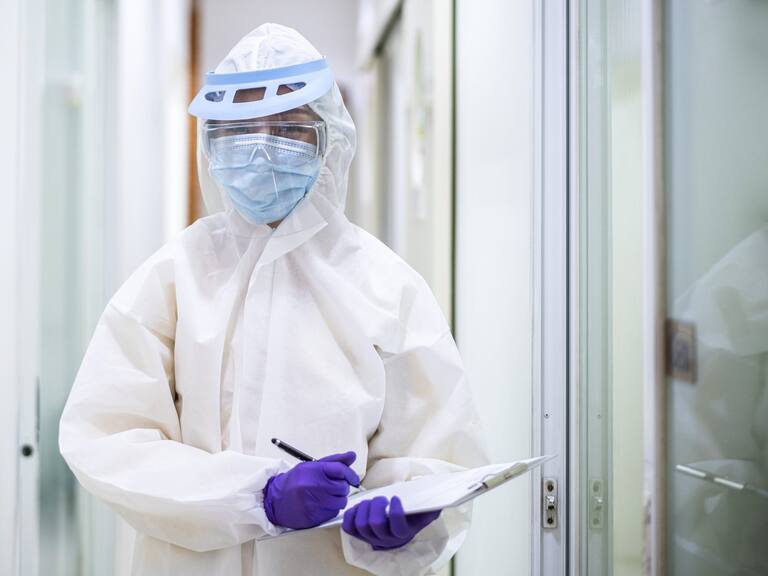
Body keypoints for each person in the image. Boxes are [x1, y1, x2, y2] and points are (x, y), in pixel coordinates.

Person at [59, 23, 487, 576]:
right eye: (239, 131)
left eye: (287, 128)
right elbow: (107, 439)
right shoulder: (174, 275)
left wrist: (403, 519)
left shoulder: (387, 287)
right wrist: (255, 496)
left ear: (329, 137)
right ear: (210, 141)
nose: (261, 150)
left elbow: (441, 450)